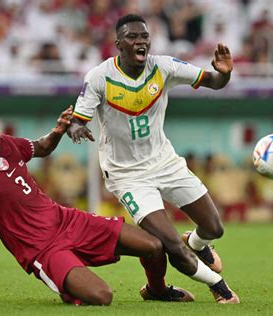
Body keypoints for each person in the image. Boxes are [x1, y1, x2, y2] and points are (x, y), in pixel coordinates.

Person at [67, 14, 239, 304]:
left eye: (144, 36)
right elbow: (77, 118)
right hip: (128, 175)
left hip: (164, 162)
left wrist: (224, 74)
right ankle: (219, 288)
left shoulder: (164, 66)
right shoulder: (99, 76)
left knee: (214, 228)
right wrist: (76, 127)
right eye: (133, 37)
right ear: (118, 43)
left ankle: (196, 243)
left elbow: (214, 81)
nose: (141, 41)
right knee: (168, 243)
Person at [0, 104, 171, 307]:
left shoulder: (6, 144)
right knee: (102, 296)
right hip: (42, 249)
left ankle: (156, 290)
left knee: (153, 246)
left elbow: (42, 147)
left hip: (66, 220)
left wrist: (58, 131)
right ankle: (67, 283)